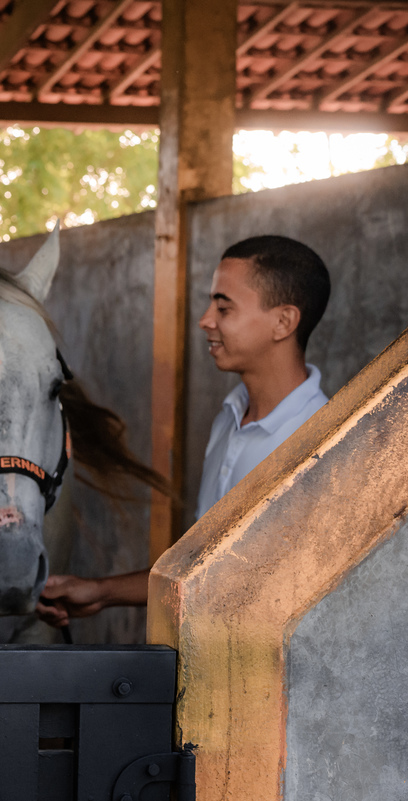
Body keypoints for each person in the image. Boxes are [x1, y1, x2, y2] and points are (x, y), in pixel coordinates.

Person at [36, 235, 331, 627]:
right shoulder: (229, 416)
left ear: (283, 322)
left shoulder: (321, 444)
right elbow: (204, 566)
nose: (206, 320)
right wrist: (101, 592)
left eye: (224, 307)